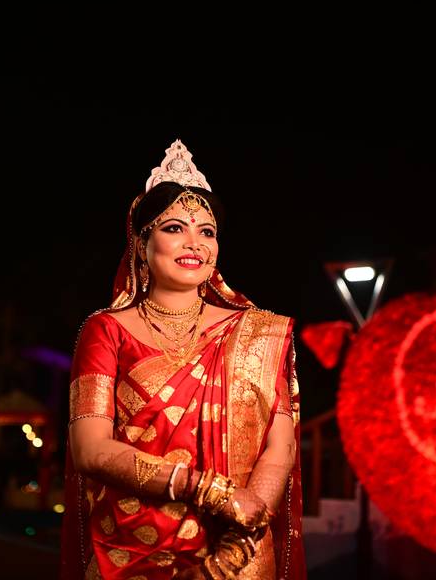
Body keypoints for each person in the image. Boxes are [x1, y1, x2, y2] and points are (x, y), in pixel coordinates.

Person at [61, 140, 304, 579]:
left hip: (236, 549)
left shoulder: (256, 332)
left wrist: (240, 538)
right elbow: (90, 449)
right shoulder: (105, 329)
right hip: (129, 547)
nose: (194, 242)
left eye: (207, 231)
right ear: (140, 243)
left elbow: (279, 444)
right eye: (174, 228)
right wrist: (212, 491)